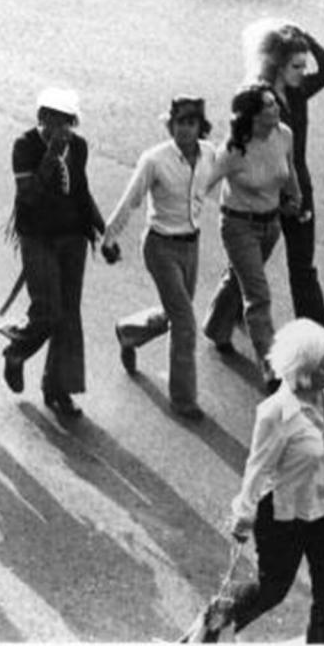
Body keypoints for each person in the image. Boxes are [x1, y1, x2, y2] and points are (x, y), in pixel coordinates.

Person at [210, 318, 324, 643]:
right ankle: (216, 623)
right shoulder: (275, 413)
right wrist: (244, 515)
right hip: (286, 514)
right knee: (272, 590)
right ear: (303, 370)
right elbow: (256, 468)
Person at [101, 96, 216, 420]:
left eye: (191, 123)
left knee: (174, 314)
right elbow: (131, 200)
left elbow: (228, 173)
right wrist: (110, 238)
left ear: (200, 126)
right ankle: (183, 400)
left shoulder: (209, 154)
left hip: (191, 246)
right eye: (179, 122)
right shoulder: (154, 159)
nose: (184, 129)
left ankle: (130, 332)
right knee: (185, 323)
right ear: (171, 124)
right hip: (160, 247)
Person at [2, 88, 105, 418]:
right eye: (52, 118)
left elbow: (82, 192)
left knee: (68, 315)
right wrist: (50, 157)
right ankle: (17, 351)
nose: (60, 126)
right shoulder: (25, 146)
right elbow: (28, 196)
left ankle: (58, 388)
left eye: (66, 121)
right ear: (41, 117)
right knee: (47, 308)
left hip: (72, 237)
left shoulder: (79, 147)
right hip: (38, 237)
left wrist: (104, 233)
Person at [202, 83, 302, 393]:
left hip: (271, 224)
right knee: (258, 295)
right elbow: (204, 183)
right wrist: (183, 214)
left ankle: (216, 327)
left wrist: (295, 197)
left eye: (275, 103)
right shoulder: (234, 149)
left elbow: (290, 169)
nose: (276, 108)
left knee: (240, 276)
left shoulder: (284, 134)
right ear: (253, 116)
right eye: (269, 105)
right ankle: (272, 367)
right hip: (238, 224)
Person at [244, 19, 324, 328]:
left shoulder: (298, 92)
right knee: (250, 262)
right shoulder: (260, 99)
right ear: (279, 66)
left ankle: (316, 330)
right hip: (270, 191)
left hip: (301, 188)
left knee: (302, 265)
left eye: (303, 65)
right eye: (296, 66)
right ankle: (224, 314)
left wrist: (305, 37)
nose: (302, 71)